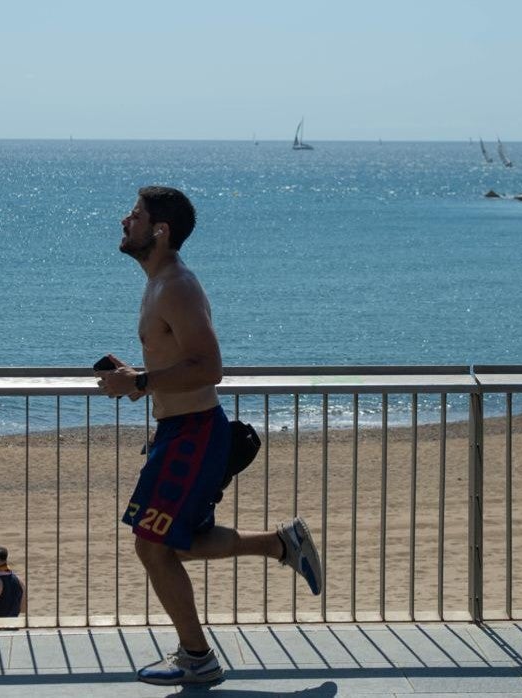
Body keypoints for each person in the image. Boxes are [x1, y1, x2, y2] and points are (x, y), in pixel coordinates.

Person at [96, 186, 323, 686]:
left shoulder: (176, 285)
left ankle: (198, 658)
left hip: (193, 435)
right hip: (178, 432)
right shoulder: (158, 283)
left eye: (134, 215)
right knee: (172, 542)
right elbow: (181, 363)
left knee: (153, 545)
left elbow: (209, 366)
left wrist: (138, 382)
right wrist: (140, 380)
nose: (123, 221)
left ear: (160, 230)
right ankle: (281, 544)